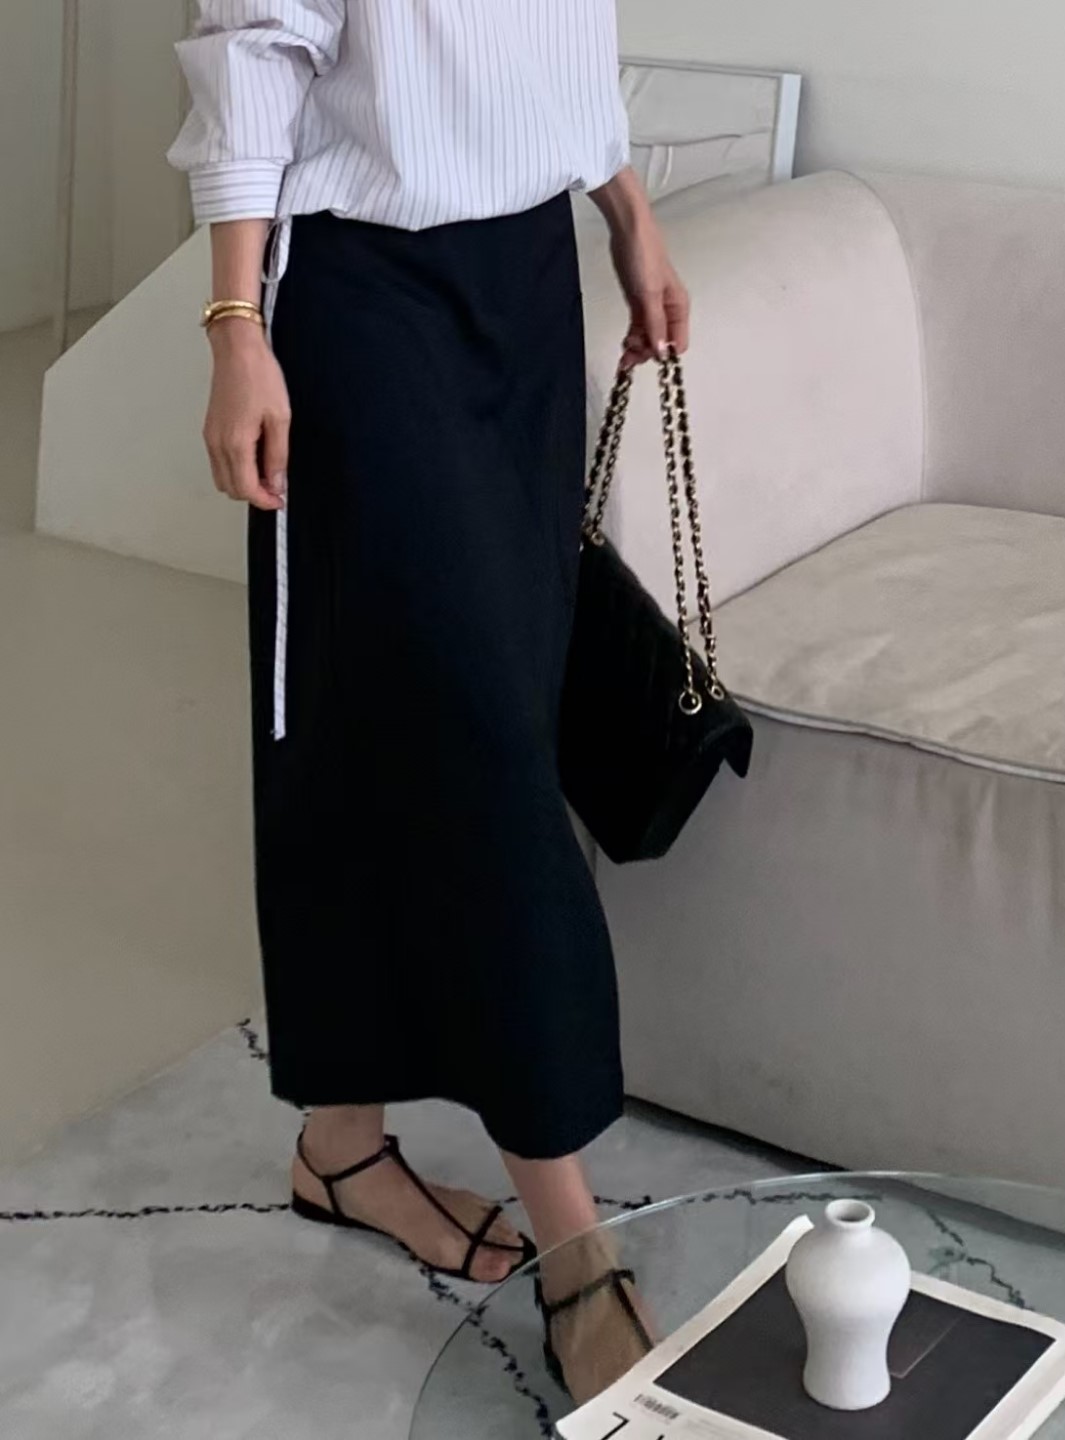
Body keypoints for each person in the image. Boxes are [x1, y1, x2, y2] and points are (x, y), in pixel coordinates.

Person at [170, 0, 688, 1401]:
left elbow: (558, 39)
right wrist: (235, 325)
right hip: (363, 290)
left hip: (528, 277)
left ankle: (341, 1147)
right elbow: (254, 50)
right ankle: (575, 1241)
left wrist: (627, 208)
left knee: (422, 716)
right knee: (474, 748)